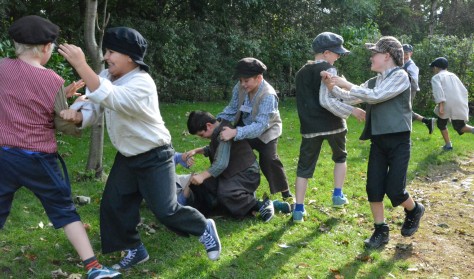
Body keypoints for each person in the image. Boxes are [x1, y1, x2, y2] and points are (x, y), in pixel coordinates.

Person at [58, 26, 221, 270]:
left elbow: (111, 97)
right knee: (114, 205)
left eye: (111, 51)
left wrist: (82, 65)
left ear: (130, 57)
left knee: (166, 210)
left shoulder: (142, 83)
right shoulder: (105, 76)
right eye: (105, 51)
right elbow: (94, 106)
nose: (105, 57)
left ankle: (204, 227)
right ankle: (135, 249)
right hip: (127, 156)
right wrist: (77, 117)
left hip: (155, 155)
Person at [0, 15, 120, 278]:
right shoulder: (52, 80)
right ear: (45, 48)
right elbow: (58, 120)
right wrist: (67, 104)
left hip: (4, 155)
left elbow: (18, 96)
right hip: (38, 158)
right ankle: (93, 267)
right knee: (64, 209)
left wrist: (60, 95)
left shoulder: (1, 67)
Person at [322, 36, 425, 249]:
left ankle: (414, 209)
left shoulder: (401, 76)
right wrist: (332, 86)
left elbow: (376, 96)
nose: (371, 57)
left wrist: (346, 83)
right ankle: (381, 230)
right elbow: (351, 97)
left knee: (395, 190)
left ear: (387, 56)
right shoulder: (373, 81)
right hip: (378, 141)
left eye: (374, 53)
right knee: (374, 187)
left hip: (398, 141)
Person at [292, 32, 366, 223]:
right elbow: (329, 100)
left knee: (304, 167)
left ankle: (298, 209)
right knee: (340, 157)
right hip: (333, 124)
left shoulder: (300, 72)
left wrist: (358, 95)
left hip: (309, 127)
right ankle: (337, 195)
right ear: (326, 53)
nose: (338, 56)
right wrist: (353, 110)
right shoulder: (328, 70)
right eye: (336, 53)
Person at [185, 110, 292, 221]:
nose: (203, 137)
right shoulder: (218, 129)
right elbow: (215, 148)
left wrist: (202, 176)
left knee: (226, 194)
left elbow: (221, 164)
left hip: (247, 174)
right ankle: (272, 205)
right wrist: (197, 151)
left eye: (202, 135)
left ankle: (260, 206)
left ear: (209, 125)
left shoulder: (224, 132)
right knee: (204, 186)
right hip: (233, 173)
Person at [217, 58, 293, 201]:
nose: (242, 84)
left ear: (259, 78)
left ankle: (285, 193)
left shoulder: (268, 95)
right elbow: (232, 109)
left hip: (267, 130)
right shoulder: (239, 87)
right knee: (235, 153)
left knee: (269, 159)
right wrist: (217, 121)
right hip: (245, 124)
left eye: (246, 81)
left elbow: (260, 125)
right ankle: (237, 189)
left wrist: (235, 132)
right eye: (240, 80)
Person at [429, 57, 473, 151]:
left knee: (441, 124)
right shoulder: (453, 75)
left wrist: (441, 106)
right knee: (460, 127)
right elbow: (464, 90)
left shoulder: (436, 77)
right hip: (460, 102)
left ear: (436, 67)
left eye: (433, 68)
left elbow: (438, 92)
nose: (433, 70)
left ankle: (448, 145)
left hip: (446, 103)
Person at [402, 44, 435, 134]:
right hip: (401, 90)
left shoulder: (411, 65)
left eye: (406, 54)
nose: (404, 56)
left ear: (411, 54)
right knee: (404, 110)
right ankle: (427, 121)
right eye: (402, 53)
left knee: (405, 111)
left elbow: (414, 81)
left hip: (409, 90)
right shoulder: (401, 62)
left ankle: (406, 134)